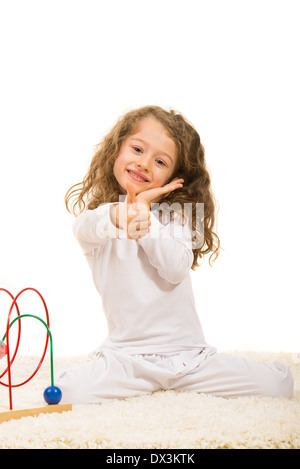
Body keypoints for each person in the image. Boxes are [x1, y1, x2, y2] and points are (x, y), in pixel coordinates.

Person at [57, 105, 293, 404]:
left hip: (188, 358)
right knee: (66, 394)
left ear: (174, 177)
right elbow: (84, 228)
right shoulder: (103, 218)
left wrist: (146, 218)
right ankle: (128, 380)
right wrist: (122, 215)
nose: (143, 163)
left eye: (160, 161)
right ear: (116, 151)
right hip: (126, 360)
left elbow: (175, 268)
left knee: (278, 387)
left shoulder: (177, 217)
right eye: (137, 149)